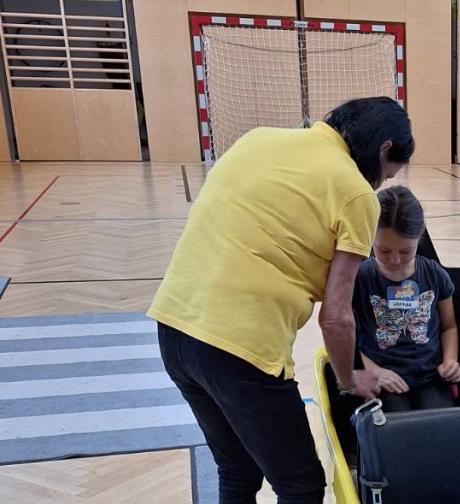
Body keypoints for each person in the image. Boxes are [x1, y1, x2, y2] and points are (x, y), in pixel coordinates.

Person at [148, 97, 413, 504]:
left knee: (237, 468)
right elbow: (336, 318)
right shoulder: (356, 194)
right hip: (242, 349)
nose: (378, 185)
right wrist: (348, 381)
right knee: (301, 484)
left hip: (174, 327)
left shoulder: (258, 139)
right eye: (385, 176)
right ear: (383, 149)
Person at [353, 186, 460, 412]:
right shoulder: (360, 278)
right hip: (383, 377)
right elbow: (348, 336)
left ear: (419, 238)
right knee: (395, 430)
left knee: (441, 427)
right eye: (383, 250)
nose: (394, 260)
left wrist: (450, 361)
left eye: (405, 251)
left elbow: (449, 326)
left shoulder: (434, 274)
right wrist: (373, 371)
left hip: (430, 376)